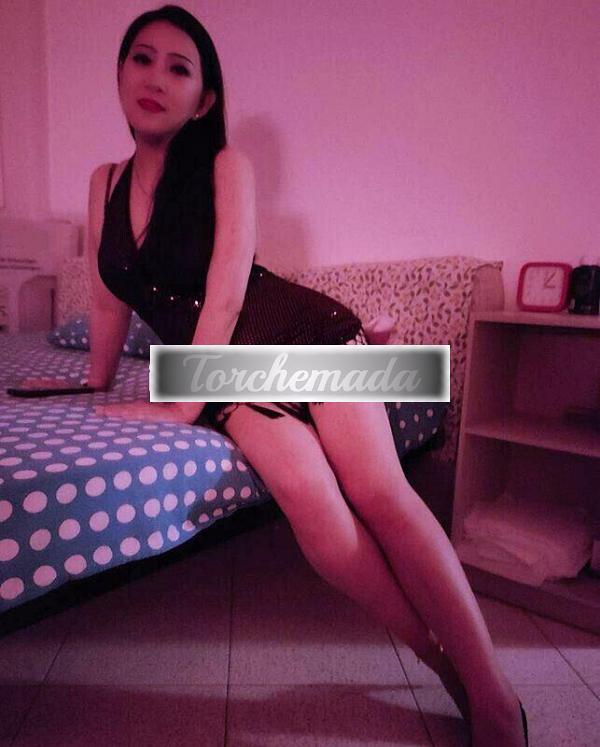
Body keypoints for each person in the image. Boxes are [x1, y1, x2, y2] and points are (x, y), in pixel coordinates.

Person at [20, 5, 528, 745]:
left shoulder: (226, 166)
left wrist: (182, 402)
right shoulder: (103, 182)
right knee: (316, 513)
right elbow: (106, 298)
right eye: (142, 58)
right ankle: (439, 660)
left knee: (378, 492)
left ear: (205, 99)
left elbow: (227, 291)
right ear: (120, 73)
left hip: (299, 334)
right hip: (228, 374)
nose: (155, 77)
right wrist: (94, 381)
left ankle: (493, 693)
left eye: (179, 68)